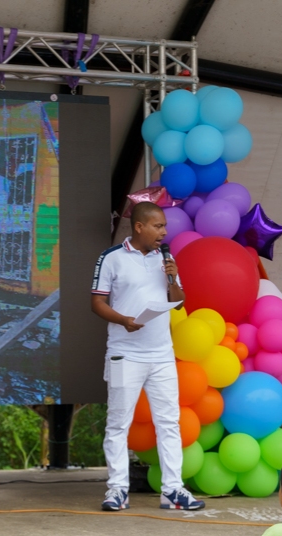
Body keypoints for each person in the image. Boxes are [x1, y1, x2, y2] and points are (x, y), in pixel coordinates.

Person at [91, 202, 204, 511]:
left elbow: (178, 304)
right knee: (118, 423)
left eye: (165, 227)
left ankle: (173, 490)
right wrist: (124, 319)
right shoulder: (111, 258)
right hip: (124, 353)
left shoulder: (166, 260)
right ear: (139, 226)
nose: (164, 232)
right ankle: (117, 490)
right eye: (158, 226)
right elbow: (97, 303)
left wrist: (173, 277)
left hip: (161, 355)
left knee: (169, 422)